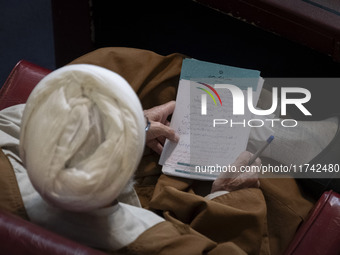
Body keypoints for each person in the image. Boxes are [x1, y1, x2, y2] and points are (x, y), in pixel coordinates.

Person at [1, 47, 330, 254]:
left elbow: (16, 124)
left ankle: (275, 131)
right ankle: (301, 140)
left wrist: (134, 128)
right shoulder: (141, 239)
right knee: (261, 186)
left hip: (79, 171)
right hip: (156, 208)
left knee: (116, 67)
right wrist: (223, 197)